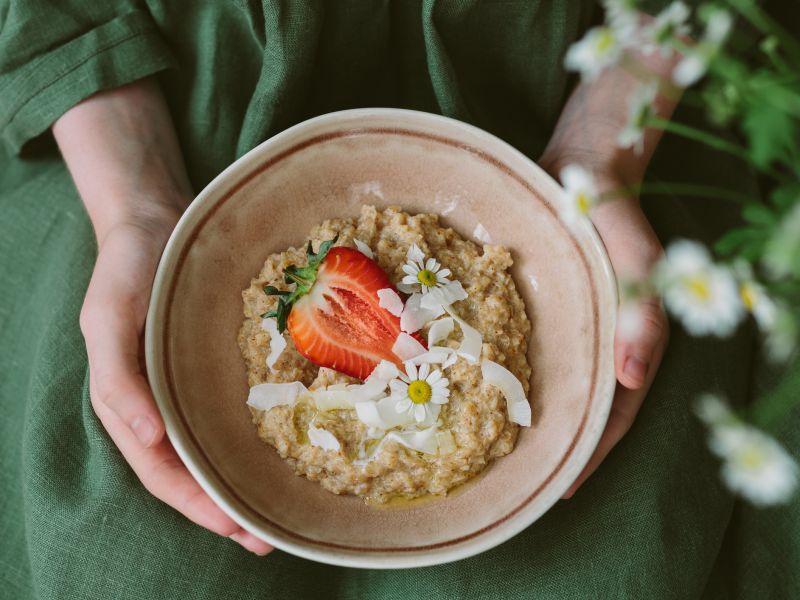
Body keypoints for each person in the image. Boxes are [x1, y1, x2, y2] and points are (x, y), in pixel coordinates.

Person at [0, 2, 786, 598]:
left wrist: (601, 148)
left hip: (588, 102)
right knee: (117, 559)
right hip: (171, 121)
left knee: (618, 555)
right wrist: (135, 206)